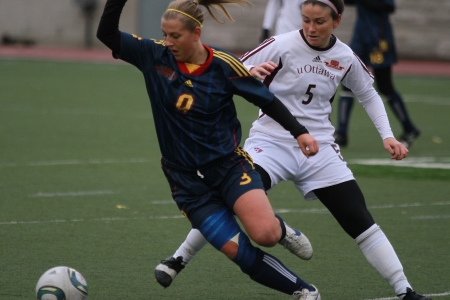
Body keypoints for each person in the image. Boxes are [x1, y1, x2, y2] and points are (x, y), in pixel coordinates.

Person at [154, 1, 432, 299]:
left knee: (360, 221)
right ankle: (179, 257)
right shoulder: (281, 43)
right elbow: (229, 69)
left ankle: (405, 291)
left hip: (320, 149)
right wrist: (252, 70)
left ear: (336, 21)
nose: (311, 28)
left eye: (320, 22)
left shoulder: (345, 57)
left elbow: (368, 94)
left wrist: (387, 136)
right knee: (227, 197)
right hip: (270, 143)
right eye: (306, 20)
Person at [97, 0, 322, 298]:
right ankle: (304, 292)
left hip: (229, 168)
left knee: (265, 234)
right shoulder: (154, 55)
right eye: (165, 34)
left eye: (175, 36)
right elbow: (107, 34)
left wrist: (300, 133)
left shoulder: (223, 66)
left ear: (196, 33)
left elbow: (265, 100)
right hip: (186, 182)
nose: (168, 42)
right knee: (238, 253)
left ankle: (280, 230)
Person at [334, 0, 420, 148]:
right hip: (360, 39)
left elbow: (389, 6)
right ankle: (341, 133)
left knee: (385, 86)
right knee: (347, 81)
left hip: (379, 40)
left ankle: (409, 128)